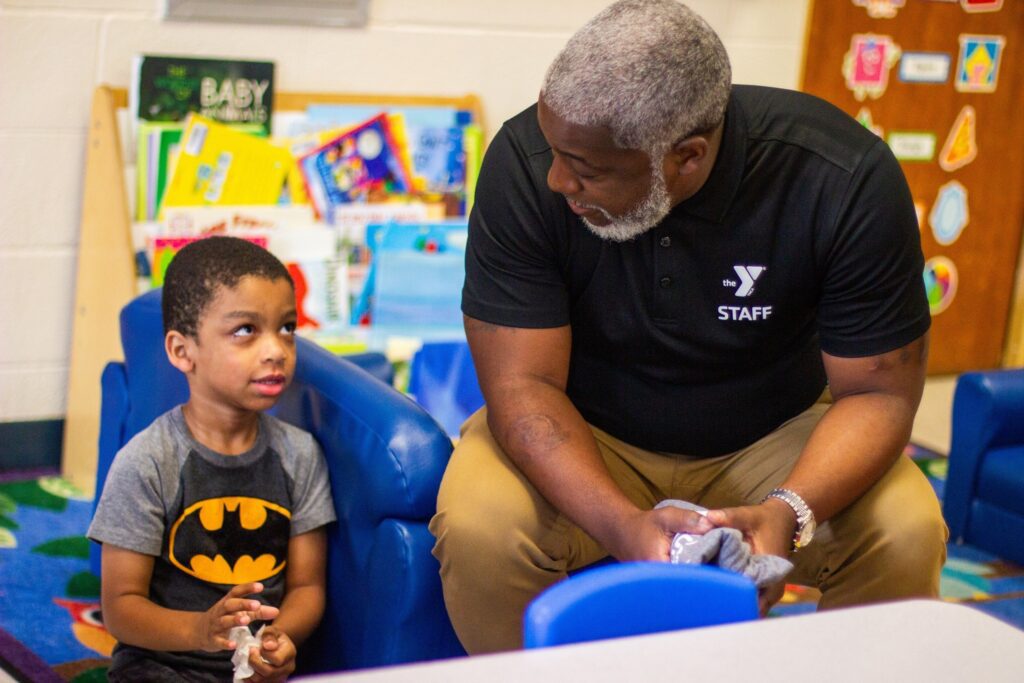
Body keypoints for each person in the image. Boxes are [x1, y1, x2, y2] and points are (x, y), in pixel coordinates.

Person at [429, 0, 948, 654]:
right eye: (556, 152)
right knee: (479, 525)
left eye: (587, 169)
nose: (559, 179)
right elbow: (522, 388)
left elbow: (879, 394)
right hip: (588, 428)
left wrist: (786, 514)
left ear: (687, 157)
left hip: (776, 433)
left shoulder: (841, 178)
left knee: (905, 527)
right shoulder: (523, 165)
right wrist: (625, 527)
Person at [88, 236, 336, 682]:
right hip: (163, 662)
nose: (275, 349)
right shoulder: (147, 461)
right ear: (183, 351)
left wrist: (278, 640)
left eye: (286, 328)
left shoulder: (300, 455)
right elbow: (121, 608)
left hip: (258, 669)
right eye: (246, 330)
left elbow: (307, 586)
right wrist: (200, 630)